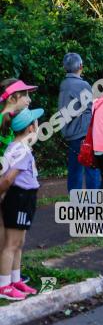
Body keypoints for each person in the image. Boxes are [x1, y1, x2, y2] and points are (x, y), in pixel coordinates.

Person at [0, 108, 44, 301]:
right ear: (30, 128)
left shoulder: (17, 147)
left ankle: (15, 279)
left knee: (19, 243)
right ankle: (4, 285)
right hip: (19, 198)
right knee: (11, 244)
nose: (38, 126)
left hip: (25, 198)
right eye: (36, 122)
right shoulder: (20, 150)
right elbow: (8, 179)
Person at [59, 53, 101, 192]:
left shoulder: (64, 84)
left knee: (74, 171)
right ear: (81, 66)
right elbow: (90, 108)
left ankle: (75, 206)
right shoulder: (82, 84)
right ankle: (92, 205)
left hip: (70, 134)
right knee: (91, 170)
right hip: (83, 134)